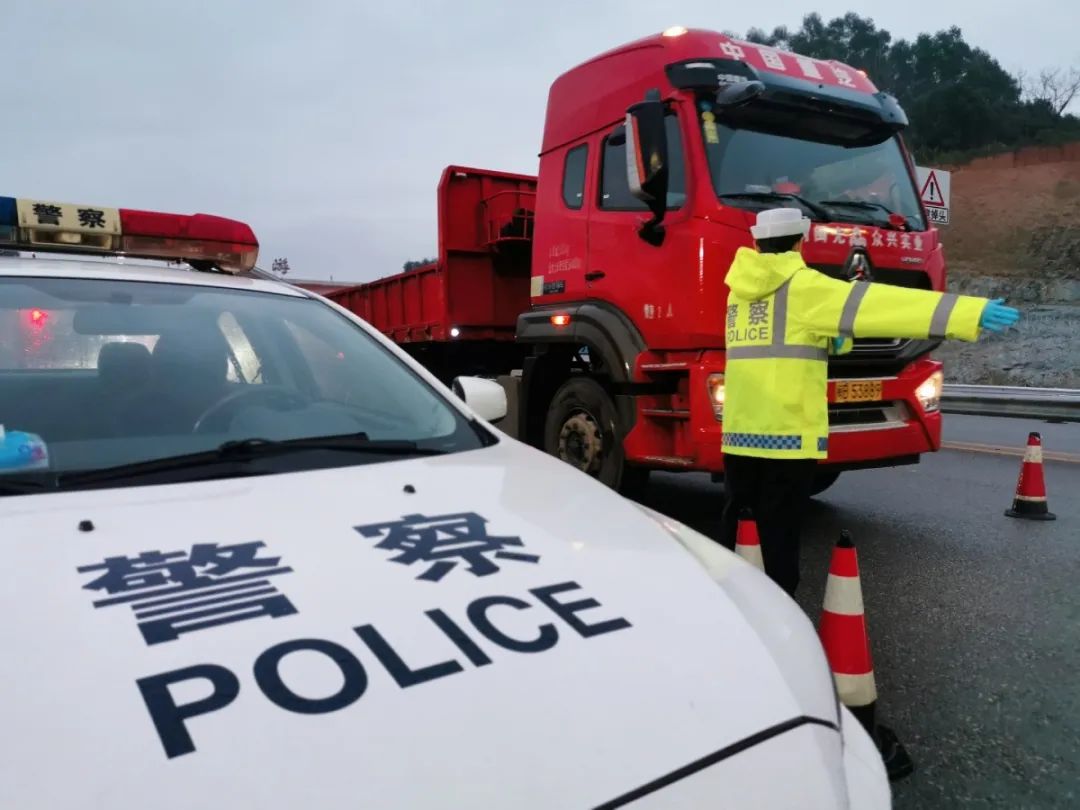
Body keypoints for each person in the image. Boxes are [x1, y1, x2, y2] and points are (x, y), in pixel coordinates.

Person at [719, 207, 1020, 595]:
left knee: (738, 522)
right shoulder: (806, 287)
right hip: (787, 434)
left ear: (757, 243)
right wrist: (969, 312)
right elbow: (882, 305)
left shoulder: (739, 293)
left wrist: (832, 339)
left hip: (740, 432)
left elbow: (783, 342)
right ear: (799, 242)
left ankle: (729, 600)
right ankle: (778, 608)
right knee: (780, 530)